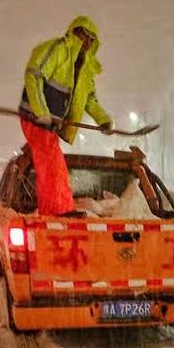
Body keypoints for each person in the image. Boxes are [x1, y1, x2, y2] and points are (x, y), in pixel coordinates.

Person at [19, 16, 113, 216]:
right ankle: (59, 211)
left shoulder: (86, 70)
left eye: (91, 39)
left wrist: (103, 119)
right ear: (74, 31)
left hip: (50, 125)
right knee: (54, 166)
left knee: (51, 166)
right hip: (34, 118)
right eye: (84, 35)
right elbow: (33, 74)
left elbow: (89, 100)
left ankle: (52, 210)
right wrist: (40, 110)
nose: (86, 41)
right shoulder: (57, 49)